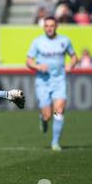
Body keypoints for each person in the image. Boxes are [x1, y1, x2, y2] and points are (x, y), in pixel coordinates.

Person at [26, 16, 78, 152]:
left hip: (59, 81)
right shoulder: (37, 42)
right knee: (48, 115)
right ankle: (43, 119)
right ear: (44, 27)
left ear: (56, 26)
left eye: (52, 26)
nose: (49, 28)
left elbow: (74, 57)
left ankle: (55, 143)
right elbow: (28, 61)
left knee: (59, 112)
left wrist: (71, 65)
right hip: (43, 82)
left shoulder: (64, 41)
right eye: (47, 26)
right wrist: (37, 67)